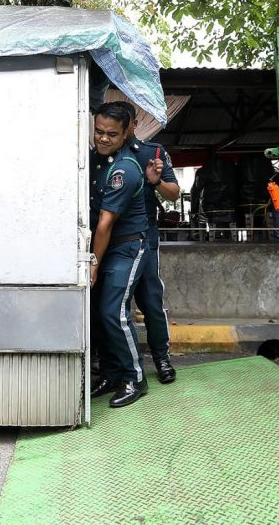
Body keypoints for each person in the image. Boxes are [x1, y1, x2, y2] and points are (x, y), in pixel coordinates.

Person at [88, 102, 150, 408]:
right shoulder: (96, 161)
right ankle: (111, 374)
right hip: (107, 245)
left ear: (126, 133)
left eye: (112, 133)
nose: (103, 138)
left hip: (126, 246)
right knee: (99, 314)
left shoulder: (123, 170)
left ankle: (135, 378)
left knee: (114, 311)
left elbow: (105, 223)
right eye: (99, 131)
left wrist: (94, 263)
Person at [114, 101, 180, 384]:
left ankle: (161, 359)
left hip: (145, 235)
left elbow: (174, 193)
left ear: (133, 125)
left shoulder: (153, 153)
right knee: (114, 303)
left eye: (123, 125)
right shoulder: (102, 153)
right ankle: (114, 365)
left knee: (150, 299)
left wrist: (155, 182)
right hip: (111, 235)